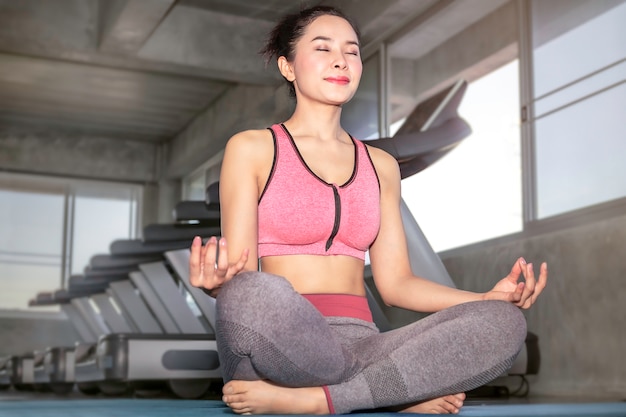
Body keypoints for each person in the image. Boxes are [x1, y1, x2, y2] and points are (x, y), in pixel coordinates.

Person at [189, 5, 548, 415]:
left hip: (363, 344)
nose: (341, 60)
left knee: (504, 324)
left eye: (352, 51)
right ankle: (392, 392)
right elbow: (243, 274)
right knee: (252, 291)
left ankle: (324, 401)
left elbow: (396, 285)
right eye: (322, 48)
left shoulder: (381, 166)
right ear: (288, 67)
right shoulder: (251, 148)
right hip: (283, 338)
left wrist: (485, 298)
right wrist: (219, 285)